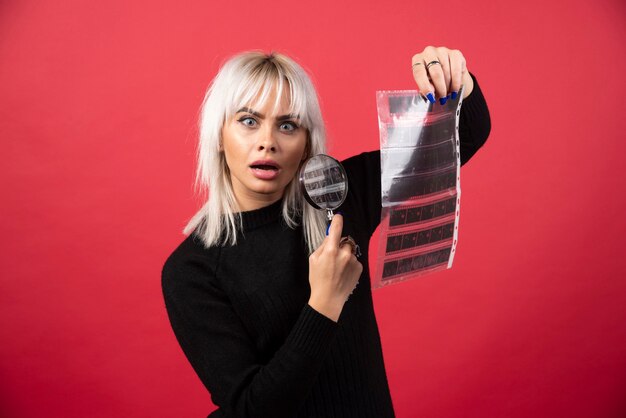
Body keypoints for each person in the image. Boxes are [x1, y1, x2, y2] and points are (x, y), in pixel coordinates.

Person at [162, 46, 491, 418]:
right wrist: (325, 303)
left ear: (305, 144)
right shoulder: (192, 271)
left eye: (288, 125)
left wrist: (454, 78)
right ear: (219, 135)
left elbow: (465, 136)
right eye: (248, 121)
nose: (268, 140)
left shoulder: (338, 195)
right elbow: (252, 411)